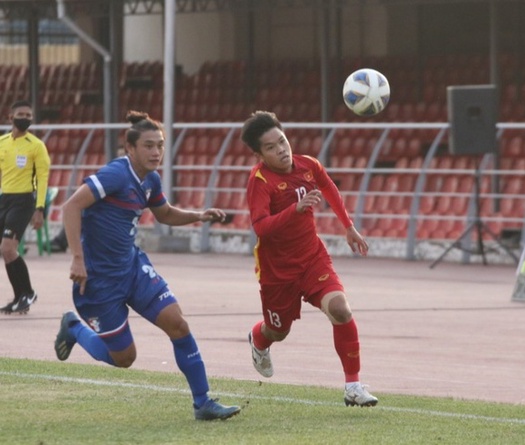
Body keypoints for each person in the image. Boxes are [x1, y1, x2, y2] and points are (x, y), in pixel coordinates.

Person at [54, 111, 241, 421]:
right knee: (124, 358)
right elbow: (71, 205)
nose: (156, 152)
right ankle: (74, 328)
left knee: (178, 324)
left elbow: (164, 213)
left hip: (132, 268)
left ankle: (203, 402)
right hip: (99, 282)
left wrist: (198, 215)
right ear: (130, 149)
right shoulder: (115, 174)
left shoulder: (150, 179)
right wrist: (77, 259)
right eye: (148, 146)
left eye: (160, 145)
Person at [241, 111, 378, 408]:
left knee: (340, 310)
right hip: (277, 271)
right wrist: (296, 210)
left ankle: (353, 386)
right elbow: (261, 226)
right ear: (259, 155)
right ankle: (259, 339)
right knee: (278, 330)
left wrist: (348, 226)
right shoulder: (260, 180)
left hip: (312, 258)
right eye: (271, 147)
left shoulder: (308, 165)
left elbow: (328, 186)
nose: (282, 149)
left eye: (282, 141)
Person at [0, 100, 50, 314]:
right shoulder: (2, 142)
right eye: (21, 114)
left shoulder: (36, 145)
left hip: (24, 201)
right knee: (6, 252)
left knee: (8, 248)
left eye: (29, 115)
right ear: (11, 118)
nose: (26, 118)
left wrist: (39, 209)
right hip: (5, 199)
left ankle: (28, 292)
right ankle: (20, 297)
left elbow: (43, 177)